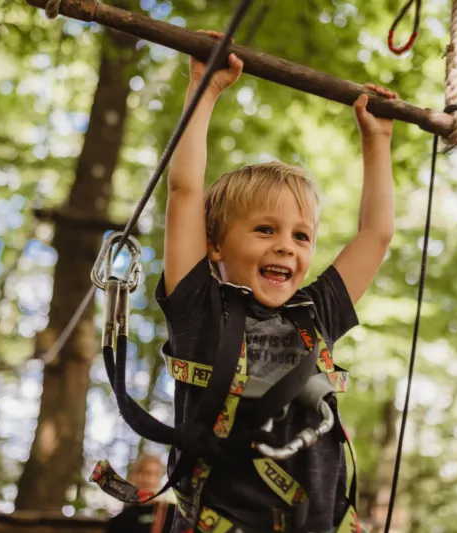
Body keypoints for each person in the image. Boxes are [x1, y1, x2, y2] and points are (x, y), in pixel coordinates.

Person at [156, 30, 397, 533]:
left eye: (302, 236)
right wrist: (203, 90)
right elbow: (184, 192)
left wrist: (377, 142)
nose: (286, 246)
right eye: (265, 230)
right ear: (214, 245)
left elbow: (375, 235)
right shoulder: (201, 306)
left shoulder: (316, 314)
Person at [105, 454, 174, 533]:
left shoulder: (173, 515)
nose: (149, 480)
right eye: (143, 473)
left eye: (156, 474)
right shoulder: (120, 521)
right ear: (134, 476)